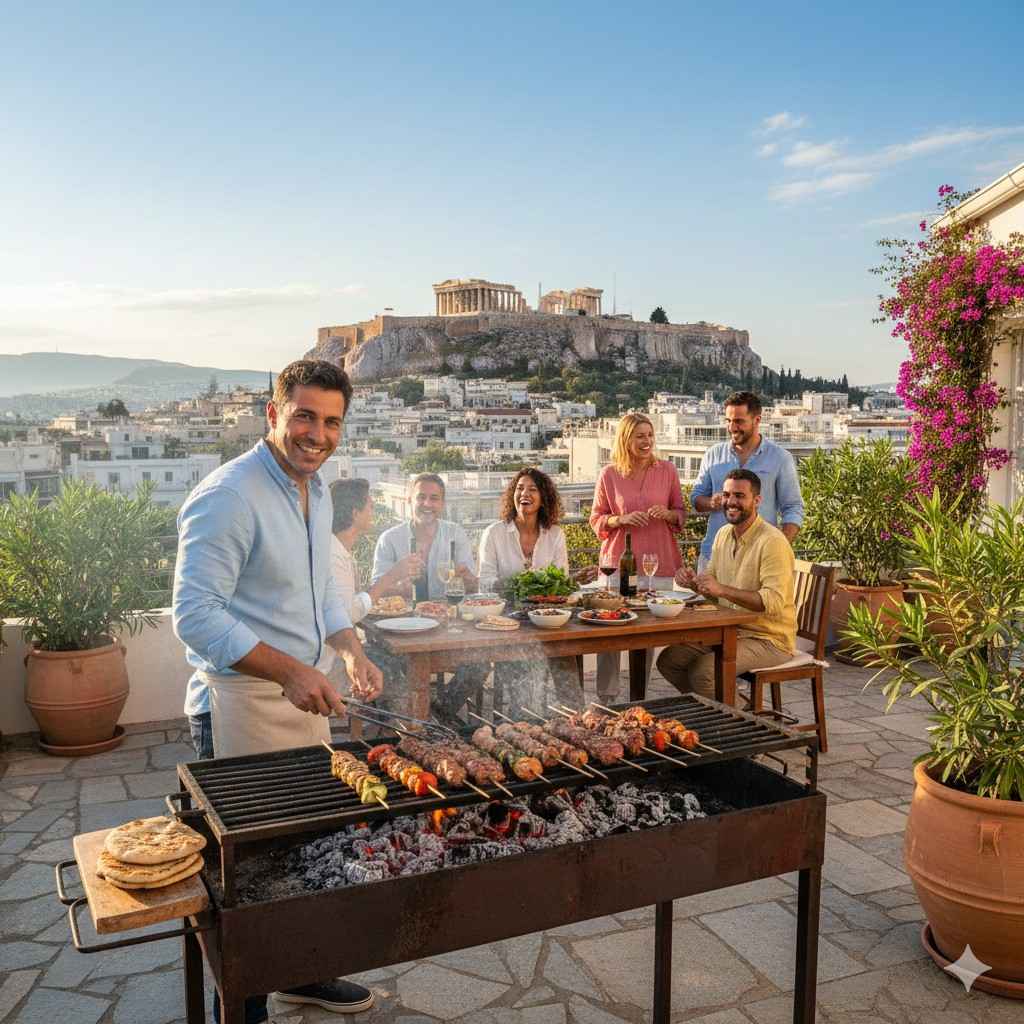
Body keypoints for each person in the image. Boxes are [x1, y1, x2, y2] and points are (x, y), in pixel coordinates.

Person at [173, 359, 381, 1021]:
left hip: (305, 701)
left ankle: (305, 971)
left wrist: (347, 649)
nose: (317, 433)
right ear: (273, 414)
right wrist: (290, 670)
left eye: (331, 422)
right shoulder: (228, 495)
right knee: (247, 879)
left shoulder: (316, 491)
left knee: (310, 851)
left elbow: (320, 592)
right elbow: (195, 614)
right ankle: (243, 1004)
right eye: (305, 416)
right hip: (241, 706)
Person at [656, 469, 796, 698]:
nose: (731, 501)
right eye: (727, 494)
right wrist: (694, 583)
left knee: (704, 672)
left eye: (740, 496)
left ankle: (746, 725)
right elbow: (713, 589)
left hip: (768, 638)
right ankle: (720, 710)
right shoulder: (722, 534)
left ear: (757, 500)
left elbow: (773, 602)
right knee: (670, 660)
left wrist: (722, 590)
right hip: (730, 631)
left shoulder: (772, 542)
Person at [589, 412, 688, 701]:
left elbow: (681, 514)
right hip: (618, 564)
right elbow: (596, 519)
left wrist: (668, 514)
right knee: (610, 629)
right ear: (625, 438)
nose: (647, 441)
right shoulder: (609, 474)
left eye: (649, 435)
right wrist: (621, 519)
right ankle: (606, 696)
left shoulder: (667, 470)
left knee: (647, 634)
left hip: (659, 563)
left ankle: (638, 697)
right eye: (640, 435)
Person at [371, 473, 485, 723]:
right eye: (421, 497)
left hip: (445, 626)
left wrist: (467, 579)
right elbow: (376, 589)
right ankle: (409, 715)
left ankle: (438, 712)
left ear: (442, 503)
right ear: (409, 500)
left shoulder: (456, 534)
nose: (427, 504)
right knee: (385, 663)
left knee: (479, 663)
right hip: (400, 626)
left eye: (434, 498)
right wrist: (401, 583)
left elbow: (472, 586)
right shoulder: (390, 538)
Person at [478, 467, 586, 714]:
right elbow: (484, 581)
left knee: (565, 655)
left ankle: (577, 721)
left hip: (548, 618)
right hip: (507, 619)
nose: (524, 494)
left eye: (532, 489)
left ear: (544, 498)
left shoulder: (555, 535)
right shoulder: (494, 533)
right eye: (519, 488)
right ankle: (523, 721)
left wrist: (571, 581)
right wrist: (516, 584)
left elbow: (561, 581)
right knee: (523, 663)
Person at [691, 391, 803, 565]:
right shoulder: (712, 454)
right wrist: (711, 503)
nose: (732, 427)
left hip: (758, 560)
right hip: (713, 556)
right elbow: (696, 499)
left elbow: (793, 508)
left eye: (739, 421)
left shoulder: (780, 458)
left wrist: (778, 547)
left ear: (757, 420)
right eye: (728, 421)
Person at [328, 477, 418, 624]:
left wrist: (398, 588)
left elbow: (352, 598)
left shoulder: (341, 549)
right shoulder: (333, 555)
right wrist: (392, 576)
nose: (373, 512)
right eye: (371, 507)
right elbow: (347, 615)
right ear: (355, 513)